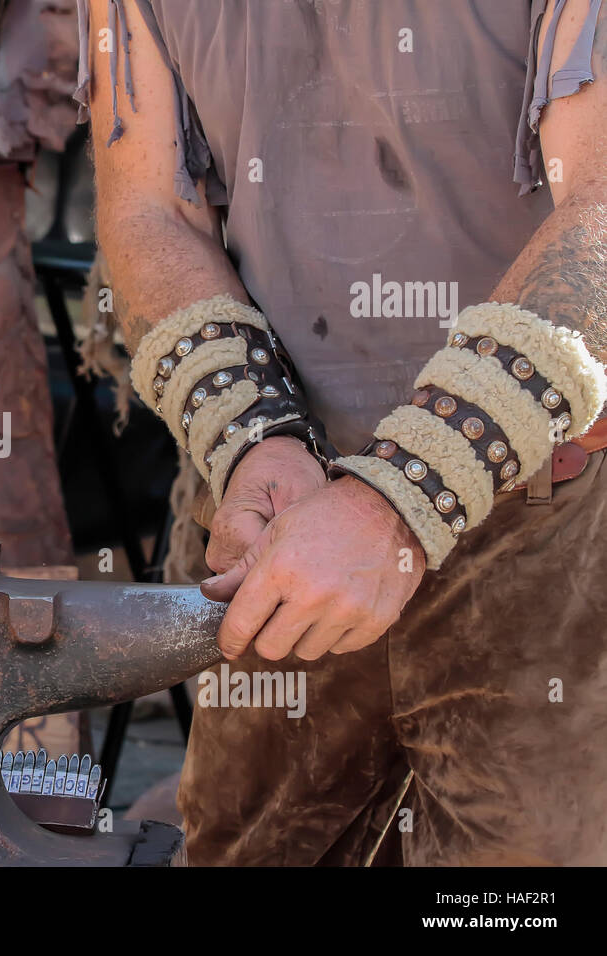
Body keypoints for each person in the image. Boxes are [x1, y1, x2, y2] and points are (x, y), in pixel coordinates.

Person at [81, 0, 607, 865]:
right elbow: (148, 212)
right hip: (279, 517)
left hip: (549, 512)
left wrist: (398, 499)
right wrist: (256, 441)